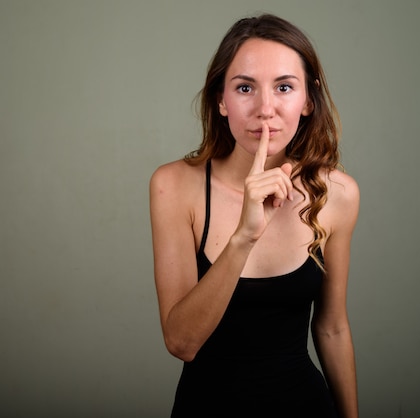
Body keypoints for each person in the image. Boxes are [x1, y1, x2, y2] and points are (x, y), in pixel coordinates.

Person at [149, 14, 359, 417]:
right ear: (221, 101)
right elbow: (181, 342)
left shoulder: (338, 194)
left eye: (284, 87)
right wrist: (243, 237)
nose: (266, 109)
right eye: (245, 87)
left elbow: (332, 328)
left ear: (308, 101)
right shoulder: (174, 186)